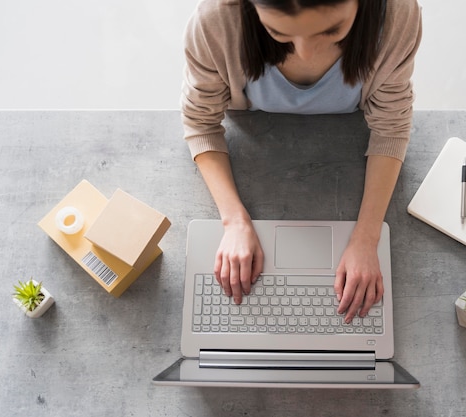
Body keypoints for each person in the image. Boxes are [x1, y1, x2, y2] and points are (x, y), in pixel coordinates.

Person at [181, 0, 422, 323]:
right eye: (278, 32)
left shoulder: (397, 13)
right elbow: (200, 123)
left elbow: (391, 128)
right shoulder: (216, 19)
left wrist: (368, 238)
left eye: (332, 30)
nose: (306, 53)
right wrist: (234, 221)